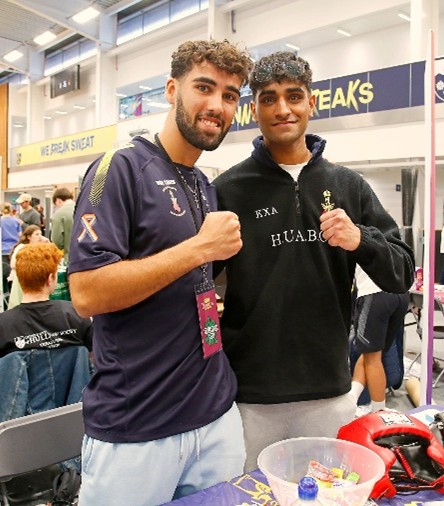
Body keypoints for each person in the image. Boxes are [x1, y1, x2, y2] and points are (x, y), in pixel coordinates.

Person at [68, 39, 252, 506]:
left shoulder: (204, 183)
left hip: (215, 416)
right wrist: (197, 249)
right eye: (204, 87)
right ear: (172, 90)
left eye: (230, 95)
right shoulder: (120, 168)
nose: (217, 105)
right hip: (137, 429)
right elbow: (86, 292)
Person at [212, 51, 415, 472]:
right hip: (250, 395)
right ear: (254, 109)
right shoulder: (228, 190)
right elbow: (195, 282)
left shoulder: (348, 185)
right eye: (268, 99)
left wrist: (360, 240)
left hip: (329, 390)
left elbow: (402, 272)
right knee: (250, 496)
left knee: (327, 493)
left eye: (293, 96)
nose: (282, 109)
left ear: (312, 103)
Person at [0, 242, 93, 357]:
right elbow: (94, 355)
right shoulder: (76, 315)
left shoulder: (3, 325)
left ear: (19, 277)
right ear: (50, 279)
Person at [349, 265, 410, 416]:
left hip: (374, 293)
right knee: (371, 354)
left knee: (372, 358)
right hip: (400, 293)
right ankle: (351, 401)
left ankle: (379, 411)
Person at [8, 225, 49, 309]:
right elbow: (13, 264)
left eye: (41, 234)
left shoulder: (38, 248)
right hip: (20, 280)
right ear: (29, 237)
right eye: (37, 234)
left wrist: (47, 243)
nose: (40, 237)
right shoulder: (21, 247)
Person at [51, 187, 75, 264]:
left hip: (72, 260)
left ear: (58, 200)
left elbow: (57, 243)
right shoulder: (84, 209)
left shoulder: (59, 214)